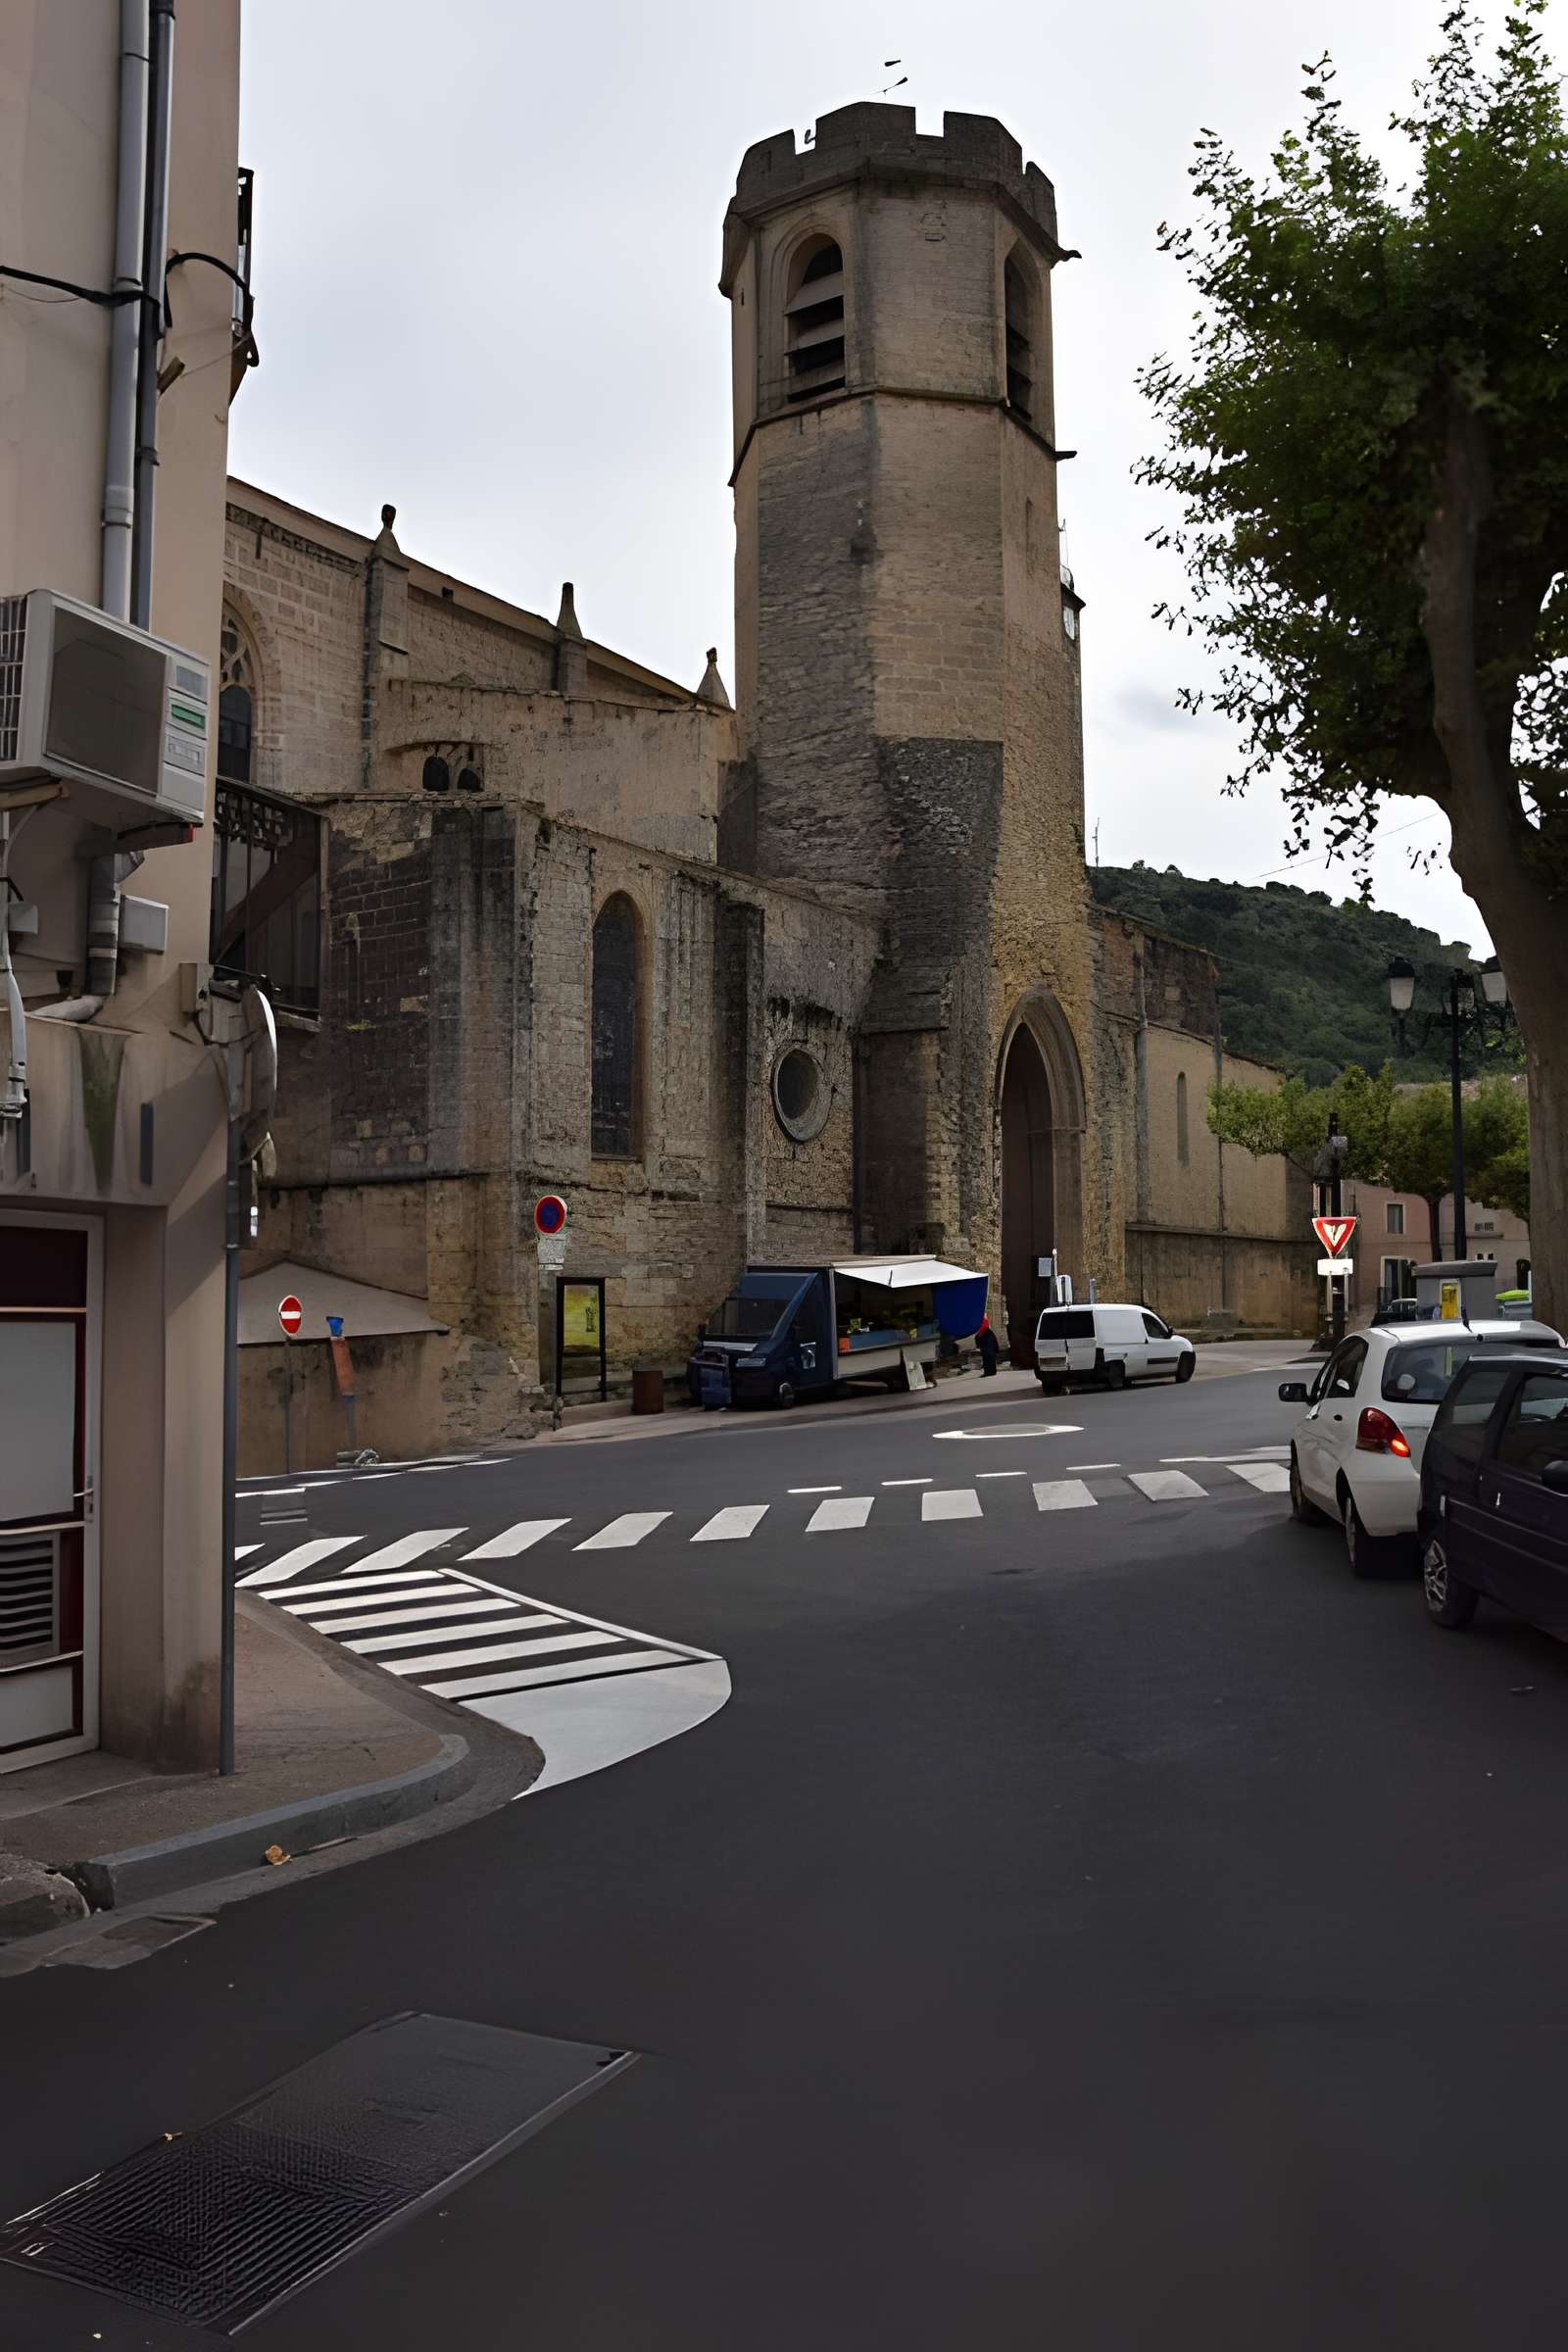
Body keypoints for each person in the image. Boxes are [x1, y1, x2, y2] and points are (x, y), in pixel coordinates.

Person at [976, 1314, 1000, 1378]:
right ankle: (991, 1372)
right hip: (988, 1349)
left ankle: (989, 1373)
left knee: (988, 1359)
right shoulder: (986, 1332)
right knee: (989, 1359)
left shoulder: (986, 1332)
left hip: (988, 1349)